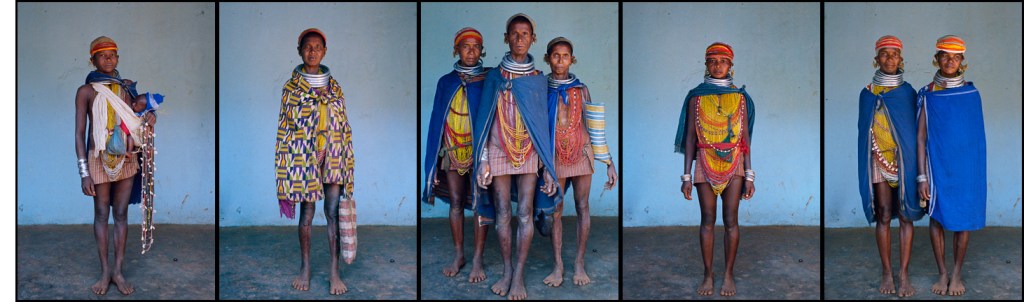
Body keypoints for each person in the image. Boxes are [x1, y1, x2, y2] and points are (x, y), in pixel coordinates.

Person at [472, 13, 561, 300]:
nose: (520, 39)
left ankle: (519, 275)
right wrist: (483, 158)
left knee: (524, 214)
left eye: (525, 34)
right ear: (506, 38)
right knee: (502, 214)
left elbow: (543, 125)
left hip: (529, 151)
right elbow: (484, 120)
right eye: (514, 33)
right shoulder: (495, 77)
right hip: (498, 148)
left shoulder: (537, 80)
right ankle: (507, 270)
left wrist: (548, 166)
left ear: (533, 39)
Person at [275, 28, 356, 295]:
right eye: (307, 47)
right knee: (307, 213)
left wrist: (344, 157)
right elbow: (286, 129)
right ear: (299, 51)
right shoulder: (292, 89)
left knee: (331, 213)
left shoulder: (335, 88)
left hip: (332, 155)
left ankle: (334, 271)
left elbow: (343, 126)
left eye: (318, 47)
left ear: (324, 51)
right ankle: (306, 268)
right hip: (304, 157)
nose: (312, 51)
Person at [75, 36, 157, 295]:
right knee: (101, 215)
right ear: (93, 60)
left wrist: (149, 118)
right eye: (102, 55)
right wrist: (83, 172)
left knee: (120, 215)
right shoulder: (86, 92)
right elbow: (80, 133)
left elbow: (136, 121)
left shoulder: (127, 89)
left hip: (126, 159)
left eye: (113, 54)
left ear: (118, 58)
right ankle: (104, 272)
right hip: (97, 158)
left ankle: (118, 272)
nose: (109, 59)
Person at [675, 42, 756, 296]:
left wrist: (750, 175)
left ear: (731, 65)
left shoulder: (741, 98)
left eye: (723, 61)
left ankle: (728, 275)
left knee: (731, 220)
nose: (718, 65)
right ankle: (708, 275)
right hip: (704, 160)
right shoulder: (696, 97)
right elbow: (690, 138)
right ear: (706, 65)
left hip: (734, 162)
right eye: (712, 61)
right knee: (707, 220)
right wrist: (686, 175)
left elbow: (745, 139)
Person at [540, 37, 617, 287]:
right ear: (547, 58)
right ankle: (558, 265)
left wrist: (608, 162)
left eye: (565, 56)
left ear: (572, 59)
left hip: (582, 152)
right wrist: (545, 166)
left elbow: (595, 127)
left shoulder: (581, 89)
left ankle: (580, 263)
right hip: (556, 157)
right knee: (556, 211)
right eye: (555, 55)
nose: (560, 60)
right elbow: (538, 130)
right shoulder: (541, 89)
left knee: (583, 206)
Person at [916, 35, 986, 297]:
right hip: (937, 166)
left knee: (962, 219)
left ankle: (957, 273)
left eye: (955, 57)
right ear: (937, 58)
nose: (950, 61)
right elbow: (921, 136)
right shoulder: (928, 93)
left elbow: (976, 138)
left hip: (965, 169)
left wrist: (974, 174)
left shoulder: (970, 93)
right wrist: (922, 176)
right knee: (936, 216)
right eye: (944, 55)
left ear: (962, 62)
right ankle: (943, 272)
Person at [856, 35, 923, 297]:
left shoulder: (908, 93)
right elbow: (864, 132)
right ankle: (887, 271)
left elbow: (914, 132)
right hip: (877, 159)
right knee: (883, 213)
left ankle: (903, 273)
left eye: (894, 54)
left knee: (906, 215)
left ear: (900, 59)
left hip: (904, 160)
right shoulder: (866, 94)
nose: (890, 59)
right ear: (876, 59)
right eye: (884, 54)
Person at [422, 27, 491, 282]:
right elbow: (436, 121)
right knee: (456, 202)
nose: (471, 51)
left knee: (480, 203)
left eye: (475, 46)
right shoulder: (446, 82)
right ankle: (459, 253)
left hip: (480, 152)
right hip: (452, 150)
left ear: (481, 50)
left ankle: (478, 259)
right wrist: (434, 163)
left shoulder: (488, 79)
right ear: (456, 50)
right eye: (465, 46)